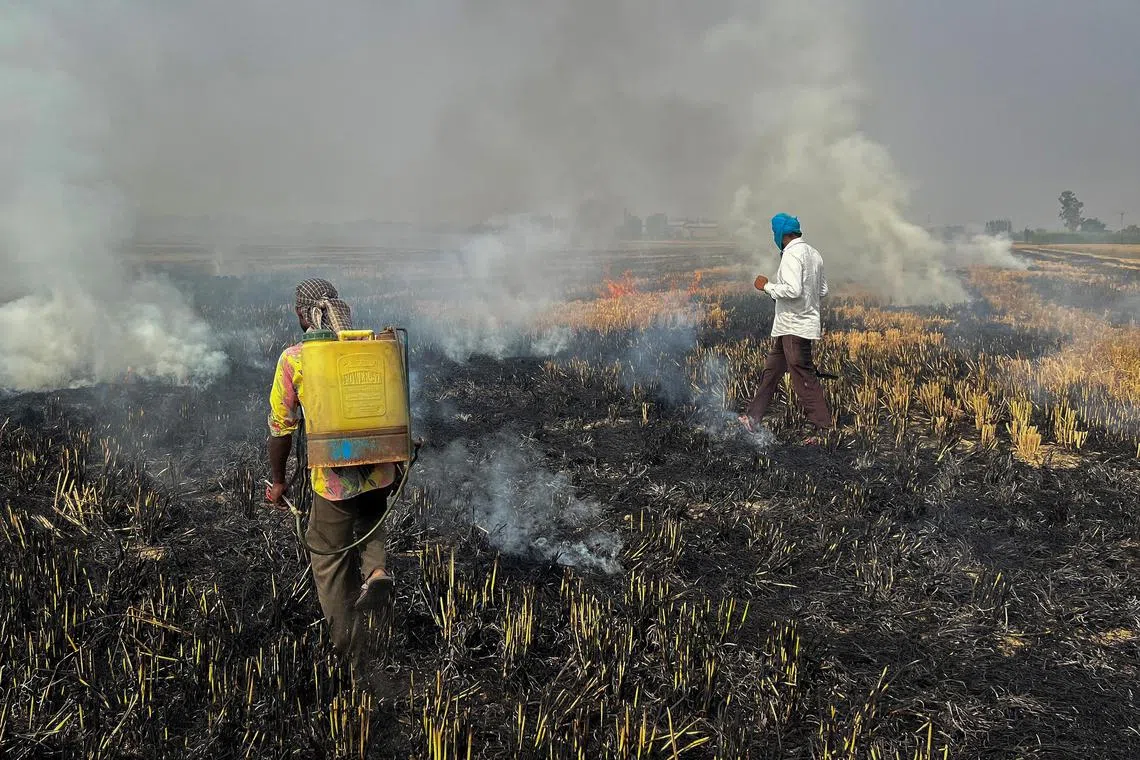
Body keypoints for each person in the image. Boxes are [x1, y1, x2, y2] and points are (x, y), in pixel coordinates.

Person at [265, 278, 396, 670]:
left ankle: (350, 652)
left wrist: (278, 480)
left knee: (328, 557)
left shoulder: (296, 358)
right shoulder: (368, 346)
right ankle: (376, 570)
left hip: (335, 479)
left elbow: (281, 429)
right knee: (370, 518)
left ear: (302, 315)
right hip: (381, 464)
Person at [739, 213, 833, 439]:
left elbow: (792, 290)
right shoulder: (814, 254)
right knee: (771, 372)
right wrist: (806, 302)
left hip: (794, 327)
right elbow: (823, 291)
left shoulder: (791, 255)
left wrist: (767, 287)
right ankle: (752, 419)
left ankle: (824, 429)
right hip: (790, 326)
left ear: (780, 233)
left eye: (775, 233)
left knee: (803, 377)